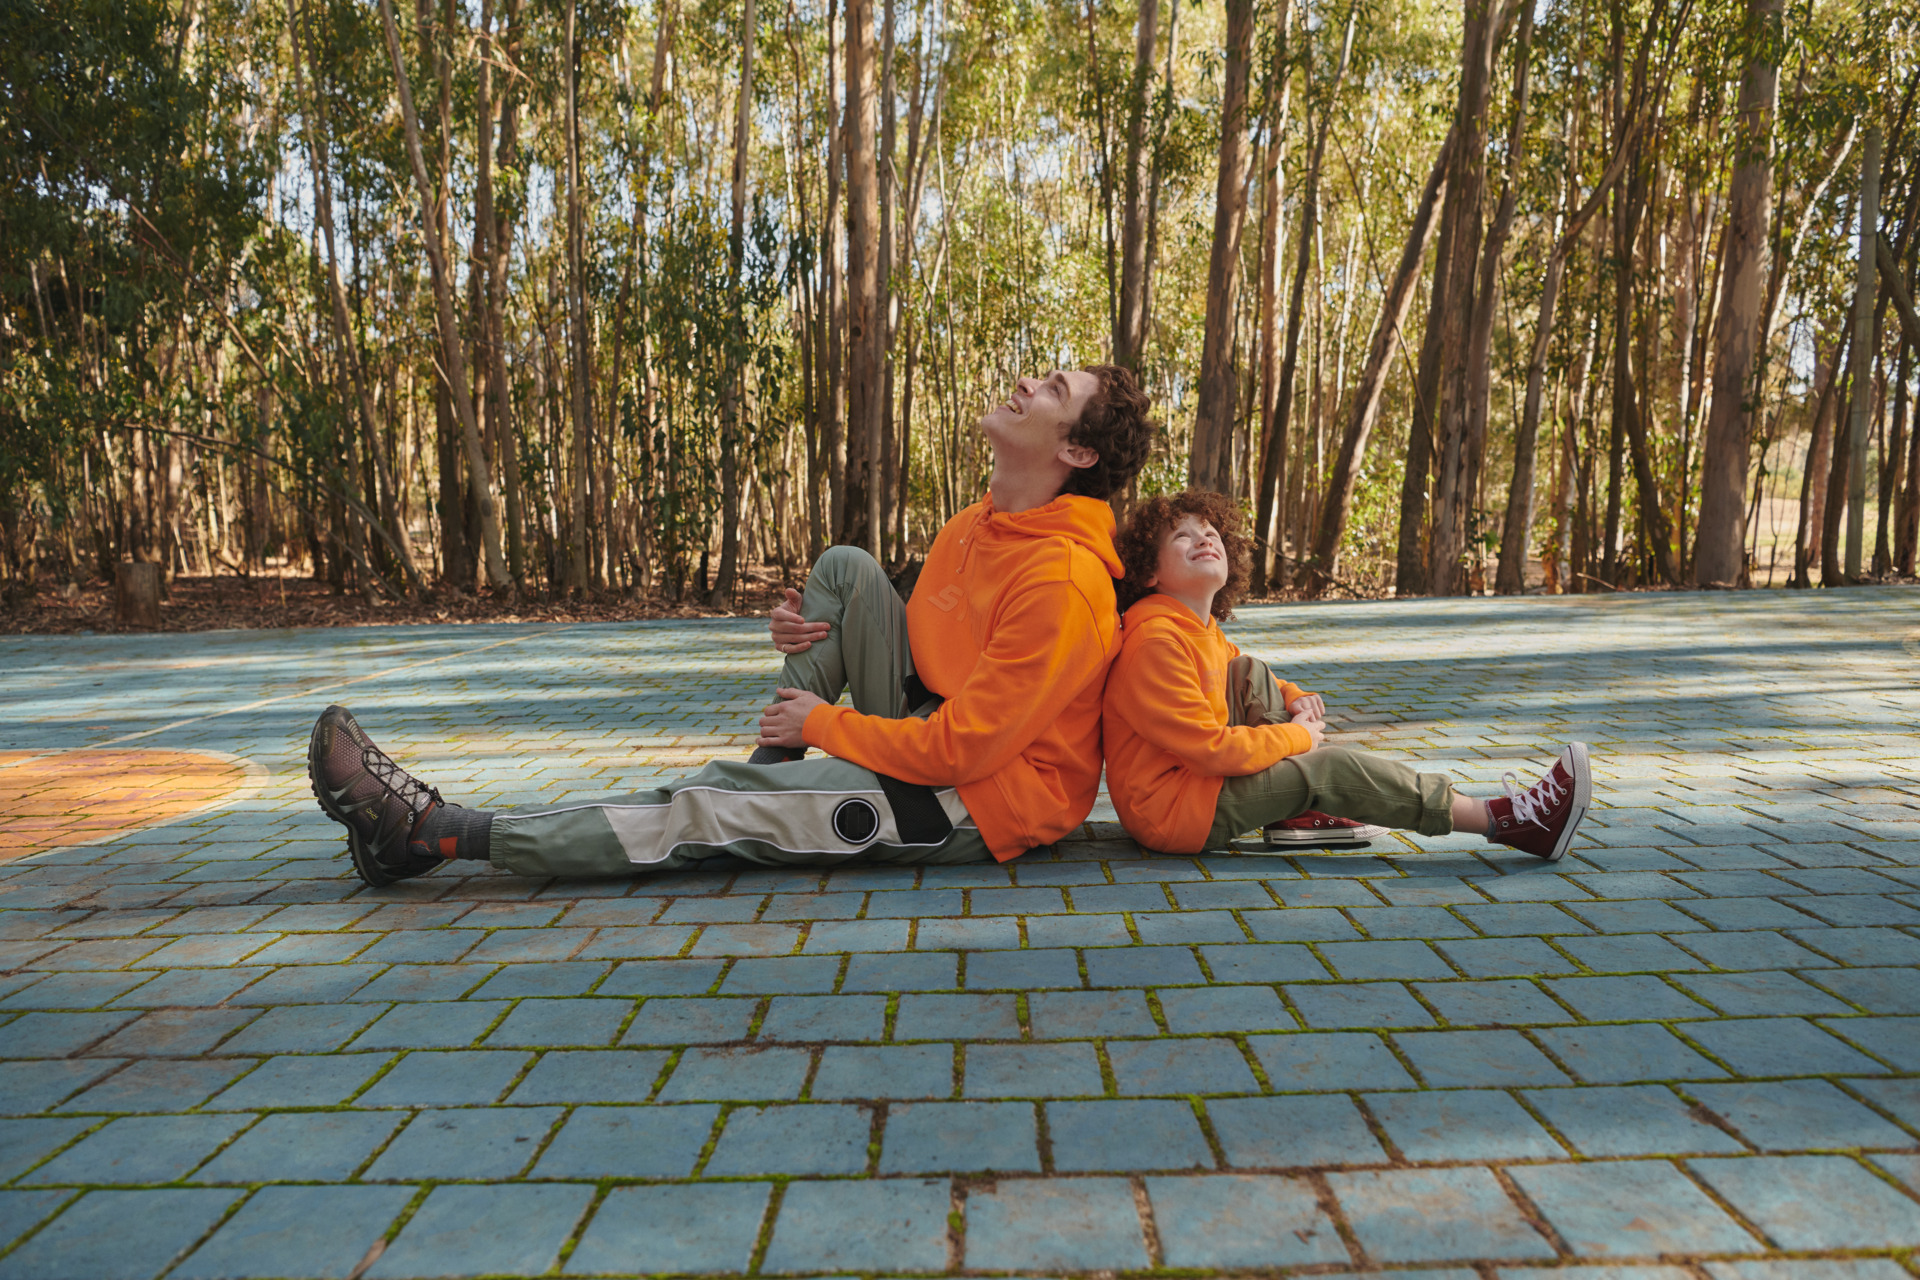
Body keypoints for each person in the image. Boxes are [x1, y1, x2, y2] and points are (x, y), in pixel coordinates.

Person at [308, 366, 1156, 885]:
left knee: (706, 811)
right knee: (845, 569)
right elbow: (912, 623)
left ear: (1076, 453)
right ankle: (771, 777)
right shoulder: (979, 523)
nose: (1027, 383)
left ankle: (430, 834)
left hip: (982, 800)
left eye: (1053, 391)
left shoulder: (1066, 582)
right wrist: (811, 634)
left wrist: (822, 722)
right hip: (935, 728)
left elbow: (963, 751)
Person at [1100, 490, 1592, 861]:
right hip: (1174, 811)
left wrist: (1292, 696)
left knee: (1248, 670)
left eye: (1210, 532)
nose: (1204, 538)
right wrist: (1299, 738)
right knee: (1328, 768)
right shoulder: (1156, 643)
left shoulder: (1196, 628)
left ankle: (1296, 811)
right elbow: (1210, 751)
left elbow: (1238, 670)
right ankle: (1508, 821)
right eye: (1183, 536)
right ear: (1149, 573)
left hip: (1197, 787)